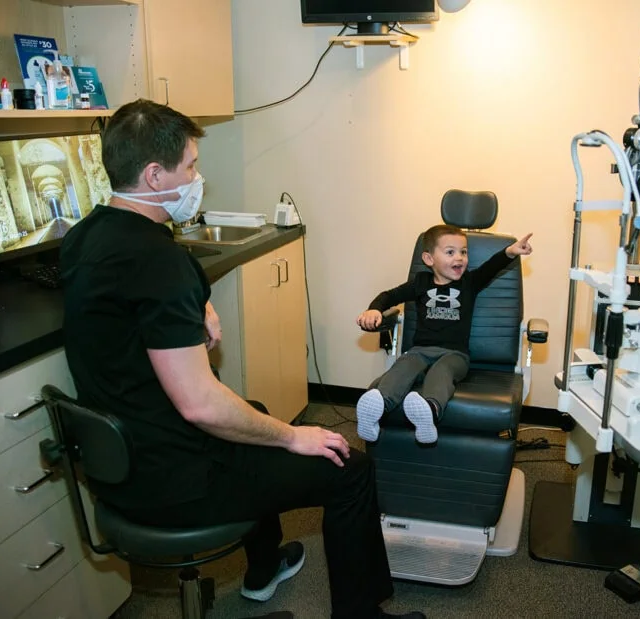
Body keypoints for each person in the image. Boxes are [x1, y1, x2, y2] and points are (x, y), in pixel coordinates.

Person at [60, 99, 423, 619]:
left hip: (120, 461)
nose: (197, 176)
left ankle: (263, 567)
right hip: (174, 480)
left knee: (252, 407)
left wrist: (199, 303)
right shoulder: (157, 262)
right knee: (346, 464)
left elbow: (156, 290)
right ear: (155, 174)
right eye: (190, 165)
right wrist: (296, 435)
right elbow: (202, 407)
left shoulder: (85, 237)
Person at [355, 224, 533, 443]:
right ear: (429, 259)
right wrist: (374, 308)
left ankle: (428, 411)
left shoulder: (470, 282)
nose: (459, 258)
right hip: (419, 350)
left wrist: (511, 251)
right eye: (450, 252)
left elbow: (491, 267)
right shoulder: (420, 283)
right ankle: (377, 407)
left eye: (463, 252)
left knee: (442, 372)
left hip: (455, 354)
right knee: (403, 366)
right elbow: (388, 296)